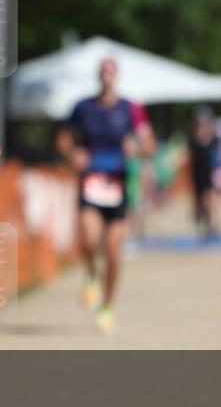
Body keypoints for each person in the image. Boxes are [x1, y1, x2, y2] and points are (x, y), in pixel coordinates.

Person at [55, 58, 154, 333]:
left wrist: (136, 146)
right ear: (99, 75)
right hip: (91, 183)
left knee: (112, 252)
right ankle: (91, 277)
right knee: (87, 239)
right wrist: (72, 153)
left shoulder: (131, 109)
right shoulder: (83, 107)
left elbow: (149, 142)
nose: (107, 75)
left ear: (117, 75)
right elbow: (63, 137)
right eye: (103, 70)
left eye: (111, 70)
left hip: (119, 186)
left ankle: (107, 306)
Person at [189, 107, 218, 242]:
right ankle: (201, 224)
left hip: (208, 174)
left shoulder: (211, 138)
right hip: (197, 174)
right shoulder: (193, 140)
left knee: (209, 199)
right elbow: (191, 158)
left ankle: (209, 226)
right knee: (199, 202)